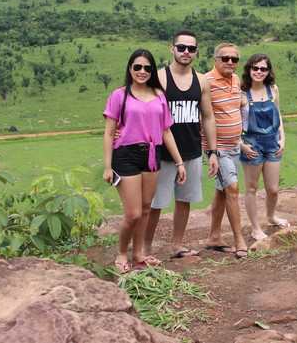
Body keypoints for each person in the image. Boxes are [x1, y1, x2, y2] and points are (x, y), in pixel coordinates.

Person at [103, 49, 187, 274]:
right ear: (130, 68)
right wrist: (108, 167)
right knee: (133, 213)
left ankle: (138, 254)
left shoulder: (159, 95)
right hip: (126, 156)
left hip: (151, 155)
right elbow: (109, 133)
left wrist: (179, 163)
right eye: (137, 67)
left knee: (146, 207)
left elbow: (166, 131)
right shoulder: (119, 95)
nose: (142, 71)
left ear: (152, 71)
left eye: (147, 68)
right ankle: (122, 253)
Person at [142, 30, 219, 260]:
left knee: (184, 201)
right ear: (172, 48)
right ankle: (145, 248)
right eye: (182, 47)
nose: (186, 52)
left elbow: (207, 117)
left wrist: (212, 151)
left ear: (196, 52)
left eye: (191, 48)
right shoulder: (160, 78)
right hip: (161, 152)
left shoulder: (201, 80)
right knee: (155, 203)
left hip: (192, 150)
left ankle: (177, 245)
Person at [203, 43, 249, 259]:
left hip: (233, 146)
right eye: (225, 58)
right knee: (232, 187)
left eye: (234, 59)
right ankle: (239, 239)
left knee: (222, 189)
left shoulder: (236, 80)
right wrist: (210, 149)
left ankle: (214, 237)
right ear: (215, 60)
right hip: (217, 148)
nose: (230, 62)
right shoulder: (206, 82)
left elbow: (237, 104)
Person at [239, 54, 288, 241]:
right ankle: (255, 227)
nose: (259, 72)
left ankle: (271, 216)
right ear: (249, 69)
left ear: (268, 71)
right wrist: (241, 145)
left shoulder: (273, 90)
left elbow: (279, 113)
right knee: (251, 187)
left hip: (272, 141)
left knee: (273, 189)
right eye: (255, 68)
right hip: (251, 143)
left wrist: (282, 138)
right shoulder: (242, 94)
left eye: (263, 69)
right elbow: (232, 122)